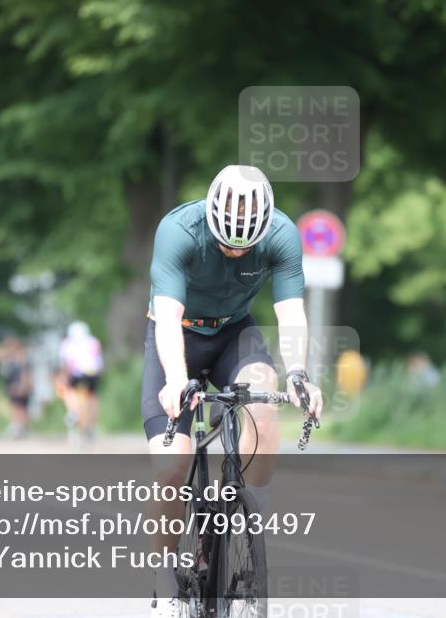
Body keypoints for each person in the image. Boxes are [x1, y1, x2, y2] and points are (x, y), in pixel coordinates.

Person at [143, 165, 323, 617]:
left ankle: (246, 510)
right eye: (225, 244)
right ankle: (163, 578)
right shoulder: (178, 230)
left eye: (244, 247)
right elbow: (166, 317)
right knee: (172, 465)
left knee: (264, 403)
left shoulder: (281, 235)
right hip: (177, 334)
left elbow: (292, 314)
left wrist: (299, 372)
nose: (233, 252)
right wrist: (174, 380)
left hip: (233, 333)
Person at [59, 320, 103, 444]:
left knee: (70, 394)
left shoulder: (68, 343)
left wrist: (64, 377)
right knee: (92, 398)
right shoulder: (93, 341)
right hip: (92, 373)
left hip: (77, 374)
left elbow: (67, 363)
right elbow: (98, 360)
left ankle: (74, 414)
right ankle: (91, 425)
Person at [0, 334, 33, 439]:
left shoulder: (22, 356)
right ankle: (17, 427)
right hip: (13, 385)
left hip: (20, 385)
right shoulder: (11, 356)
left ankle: (22, 429)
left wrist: (23, 386)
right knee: (15, 407)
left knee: (21, 408)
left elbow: (25, 372)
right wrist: (4, 345)